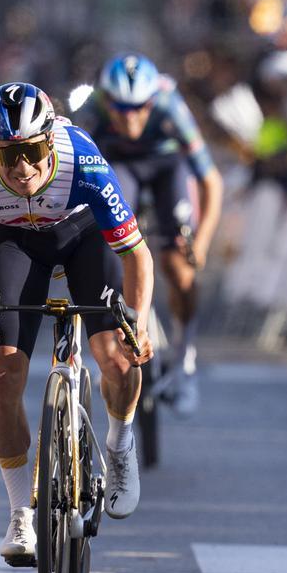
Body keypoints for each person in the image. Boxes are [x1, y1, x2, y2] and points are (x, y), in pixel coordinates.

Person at [0, 82, 153, 563]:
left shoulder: (84, 161)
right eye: (9, 156)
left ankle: (119, 445)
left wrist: (136, 323)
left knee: (116, 359)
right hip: (16, 244)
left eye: (33, 151)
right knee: (3, 372)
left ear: (51, 139)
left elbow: (138, 256)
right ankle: (20, 513)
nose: (23, 168)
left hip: (84, 237)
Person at [75, 53, 223, 415]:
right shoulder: (90, 110)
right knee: (108, 245)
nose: (130, 117)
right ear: (106, 101)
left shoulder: (171, 106)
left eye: (139, 108)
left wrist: (200, 242)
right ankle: (113, 344)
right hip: (119, 165)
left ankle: (184, 364)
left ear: (152, 102)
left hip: (165, 166)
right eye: (121, 109)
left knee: (178, 267)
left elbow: (210, 180)